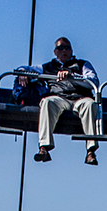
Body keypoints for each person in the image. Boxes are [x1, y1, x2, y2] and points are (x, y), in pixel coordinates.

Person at [35, 36, 99, 166]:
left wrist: (72, 77)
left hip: (79, 98)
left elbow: (94, 82)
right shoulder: (48, 67)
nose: (64, 50)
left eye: (68, 48)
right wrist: (22, 73)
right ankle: (44, 147)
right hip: (59, 98)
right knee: (47, 102)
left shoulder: (82, 65)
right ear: (55, 52)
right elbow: (27, 69)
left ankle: (90, 150)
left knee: (90, 105)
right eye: (61, 48)